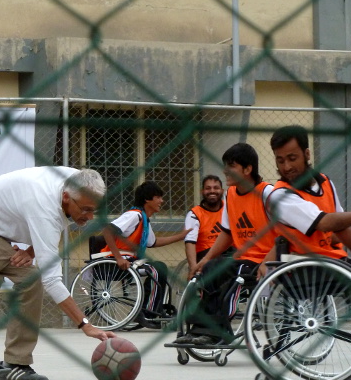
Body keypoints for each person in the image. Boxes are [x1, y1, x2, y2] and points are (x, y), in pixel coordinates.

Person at [0, 166, 116, 380]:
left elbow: (50, 231)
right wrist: (85, 325)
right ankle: (15, 364)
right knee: (31, 279)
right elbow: (51, 280)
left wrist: (30, 252)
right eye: (85, 210)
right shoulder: (44, 206)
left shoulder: (79, 181)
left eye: (94, 210)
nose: (90, 217)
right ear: (66, 197)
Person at [176, 143, 276, 345]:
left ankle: (218, 331)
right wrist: (205, 259)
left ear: (247, 169)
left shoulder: (268, 193)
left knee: (232, 275)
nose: (225, 171)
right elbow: (227, 233)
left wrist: (268, 261)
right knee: (210, 268)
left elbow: (288, 232)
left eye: (231, 166)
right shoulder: (230, 194)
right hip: (244, 259)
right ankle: (201, 329)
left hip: (268, 259)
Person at [265, 125, 351, 263]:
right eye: (280, 161)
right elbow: (325, 223)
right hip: (306, 265)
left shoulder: (325, 182)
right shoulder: (279, 196)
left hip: (334, 261)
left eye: (292, 158)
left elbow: (341, 227)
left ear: (307, 154)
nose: (286, 167)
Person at [101, 181, 189, 325]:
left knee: (160, 267)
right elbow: (107, 231)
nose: (162, 201)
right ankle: (148, 311)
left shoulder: (144, 219)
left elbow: (153, 242)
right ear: (147, 199)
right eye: (158, 197)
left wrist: (181, 236)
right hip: (116, 260)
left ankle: (154, 308)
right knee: (155, 270)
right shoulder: (134, 216)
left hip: (131, 260)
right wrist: (118, 258)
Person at [184, 175, 231, 274]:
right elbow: (190, 243)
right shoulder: (194, 214)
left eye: (216, 188)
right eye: (208, 188)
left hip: (229, 252)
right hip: (205, 254)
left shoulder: (229, 208)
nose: (212, 191)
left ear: (222, 191)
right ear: (202, 192)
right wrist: (193, 268)